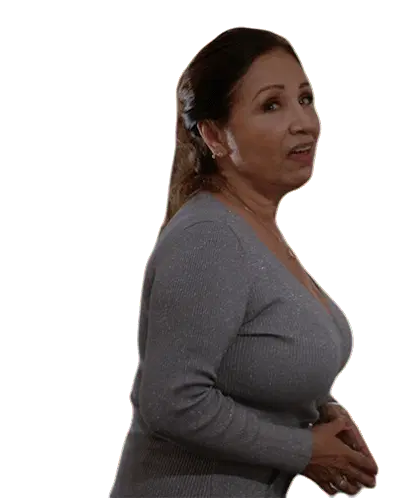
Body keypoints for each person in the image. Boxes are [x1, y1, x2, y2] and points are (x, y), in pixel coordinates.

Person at [109, 27, 378, 497]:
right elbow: (171, 402)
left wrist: (315, 409)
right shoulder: (209, 237)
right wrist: (303, 449)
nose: (304, 122)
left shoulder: (252, 228)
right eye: (271, 105)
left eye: (305, 98)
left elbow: (250, 361)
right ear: (214, 135)